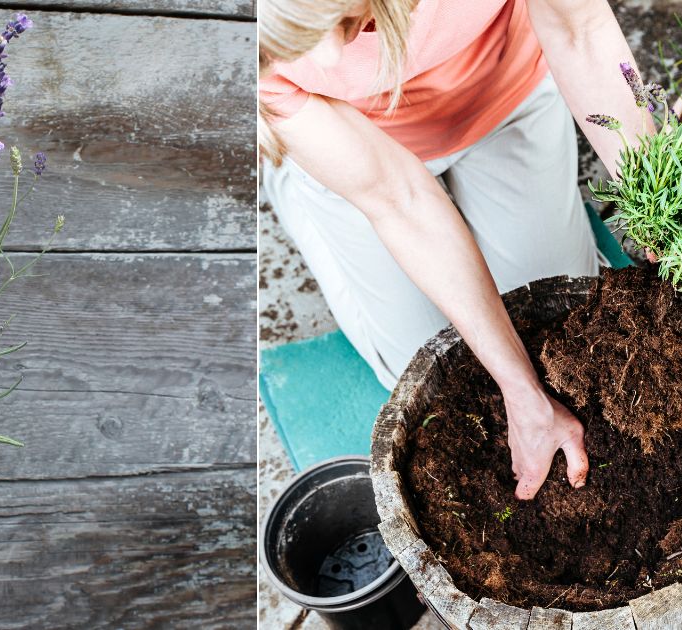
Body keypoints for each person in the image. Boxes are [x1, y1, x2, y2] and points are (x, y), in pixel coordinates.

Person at [259, 0, 653, 499]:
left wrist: (657, 203)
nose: (333, 56)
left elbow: (583, 30)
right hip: (354, 140)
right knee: (431, 364)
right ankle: (296, 181)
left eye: (336, 20)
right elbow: (397, 197)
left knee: (560, 328)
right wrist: (520, 389)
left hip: (502, 96)